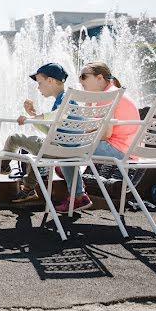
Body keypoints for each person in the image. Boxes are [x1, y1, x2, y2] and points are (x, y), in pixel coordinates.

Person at [54, 61, 139, 213]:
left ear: (99, 78)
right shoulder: (112, 92)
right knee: (68, 155)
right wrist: (88, 105)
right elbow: (95, 129)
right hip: (126, 149)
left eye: (84, 76)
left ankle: (79, 197)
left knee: (67, 150)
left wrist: (78, 139)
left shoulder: (107, 96)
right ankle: (73, 181)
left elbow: (106, 134)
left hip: (117, 149)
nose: (80, 81)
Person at [0, 62, 69, 204]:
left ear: (50, 81)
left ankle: (2, 165)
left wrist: (31, 118)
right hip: (64, 149)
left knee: (14, 139)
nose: (38, 88)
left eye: (40, 83)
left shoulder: (65, 99)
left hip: (56, 149)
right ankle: (28, 190)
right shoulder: (64, 99)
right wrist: (34, 116)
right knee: (37, 154)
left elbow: (60, 113)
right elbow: (51, 128)